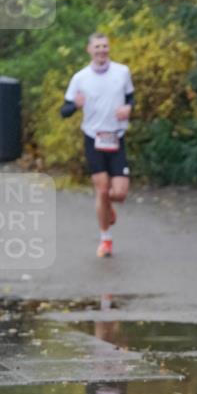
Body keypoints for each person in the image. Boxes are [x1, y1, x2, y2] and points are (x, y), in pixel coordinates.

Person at [59, 33, 135, 258]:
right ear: (89, 50)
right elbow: (64, 111)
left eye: (105, 46)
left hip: (116, 137)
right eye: (97, 47)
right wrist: (75, 105)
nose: (102, 50)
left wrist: (128, 108)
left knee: (119, 193)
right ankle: (105, 240)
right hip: (93, 138)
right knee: (102, 190)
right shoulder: (80, 78)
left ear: (109, 48)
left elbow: (131, 97)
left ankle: (108, 205)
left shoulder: (122, 72)